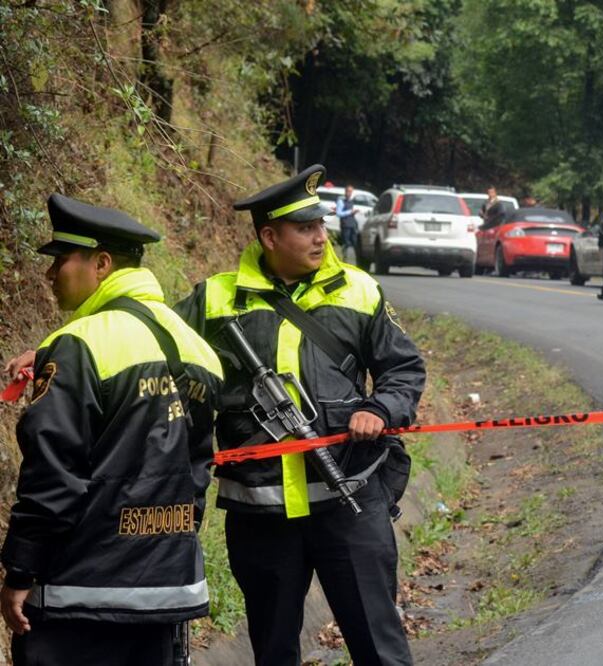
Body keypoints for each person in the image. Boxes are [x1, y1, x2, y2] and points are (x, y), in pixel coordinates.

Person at [173, 165, 426, 666]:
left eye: (321, 224)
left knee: (380, 647)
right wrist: (55, 352)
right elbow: (148, 338)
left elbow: (404, 370)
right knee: (273, 651)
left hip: (348, 498)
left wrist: (380, 408)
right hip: (261, 513)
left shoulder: (357, 290)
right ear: (269, 236)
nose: (320, 237)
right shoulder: (216, 299)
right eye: (305, 228)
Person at [0, 194, 223, 665]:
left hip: (78, 598)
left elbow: (52, 473)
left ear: (101, 264)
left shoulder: (79, 345)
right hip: (166, 594)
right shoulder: (197, 348)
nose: (49, 273)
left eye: (61, 259)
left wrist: (20, 569)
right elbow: (196, 470)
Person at [336, 185, 359, 264]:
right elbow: (338, 213)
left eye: (350, 191)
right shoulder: (341, 201)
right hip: (345, 226)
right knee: (345, 244)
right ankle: (344, 261)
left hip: (353, 225)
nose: (349, 193)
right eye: (348, 191)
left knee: (355, 243)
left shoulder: (352, 202)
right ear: (345, 191)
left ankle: (356, 262)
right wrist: (350, 212)